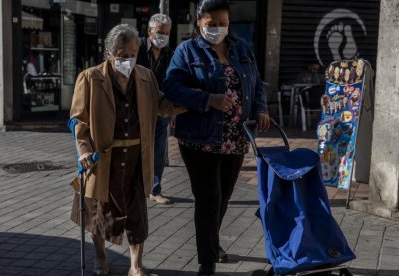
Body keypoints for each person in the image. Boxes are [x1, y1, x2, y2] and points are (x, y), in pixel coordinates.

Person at [163, 0, 270, 275]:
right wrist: (208, 99)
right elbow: (172, 87)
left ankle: (212, 245)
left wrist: (260, 109)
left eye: (223, 23)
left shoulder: (242, 49)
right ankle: (206, 262)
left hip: (235, 137)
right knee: (208, 199)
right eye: (211, 25)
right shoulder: (187, 51)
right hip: (200, 138)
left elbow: (257, 83)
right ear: (199, 22)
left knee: (223, 198)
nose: (218, 29)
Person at [70, 24, 184, 276]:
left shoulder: (145, 77)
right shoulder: (89, 78)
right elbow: (78, 120)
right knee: (99, 213)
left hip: (135, 158)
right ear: (109, 54)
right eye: (122, 55)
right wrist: (84, 149)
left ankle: (135, 266)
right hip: (103, 159)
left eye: (132, 53)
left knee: (137, 214)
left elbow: (162, 105)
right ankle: (101, 260)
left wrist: (191, 101)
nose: (128, 60)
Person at [137, 13, 174, 205]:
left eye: (167, 33)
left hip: (161, 109)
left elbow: (173, 81)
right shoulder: (137, 47)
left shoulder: (170, 53)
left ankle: (155, 190)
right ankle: (135, 188)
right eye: (160, 32)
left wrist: (171, 108)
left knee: (159, 150)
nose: (163, 36)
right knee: (136, 147)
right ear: (150, 31)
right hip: (138, 108)